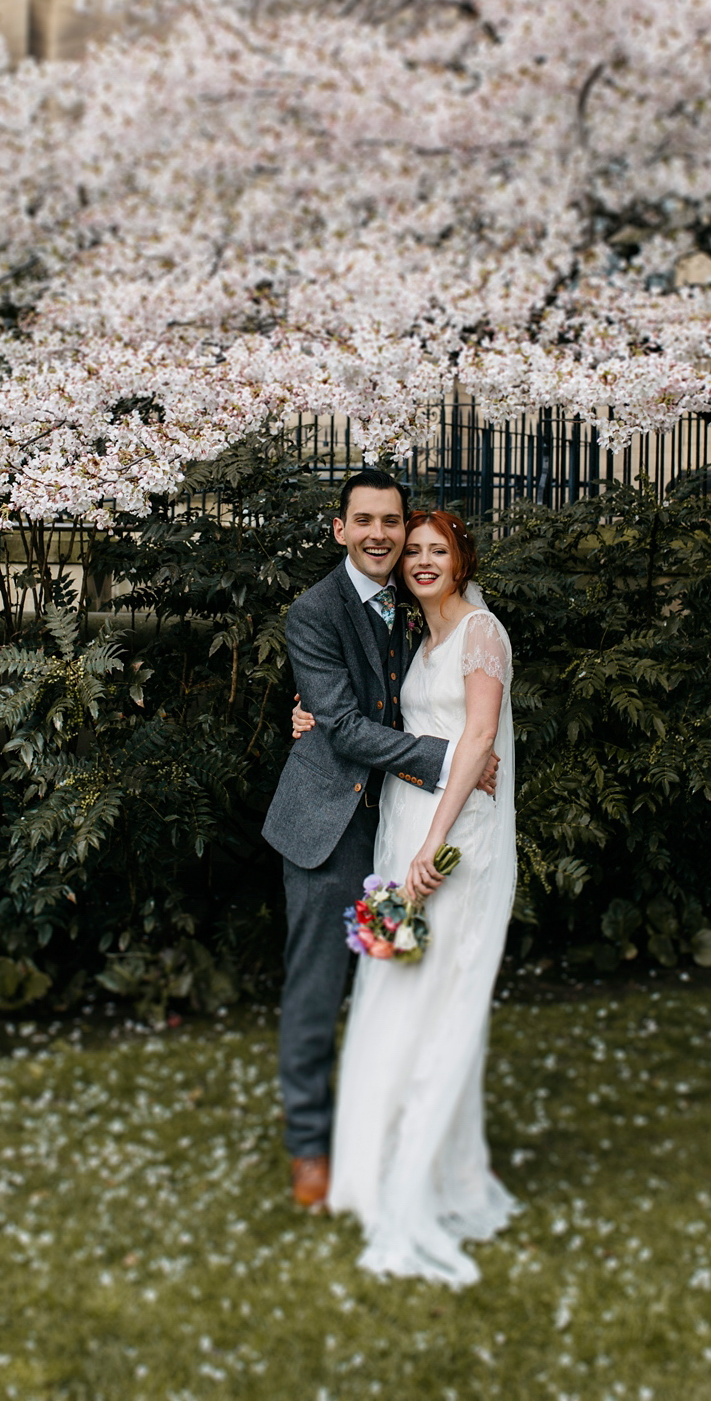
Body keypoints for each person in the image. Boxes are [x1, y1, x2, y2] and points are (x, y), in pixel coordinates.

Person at [290, 508, 518, 1285]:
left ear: (462, 559)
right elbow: (360, 714)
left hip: (449, 838)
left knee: (439, 996)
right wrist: (313, 719)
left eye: (435, 550)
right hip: (400, 832)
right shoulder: (410, 638)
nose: (420, 560)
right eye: (411, 549)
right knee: (394, 986)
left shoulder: (482, 632)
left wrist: (432, 846)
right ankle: (372, 1161)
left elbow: (480, 740)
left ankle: (432, 1174)